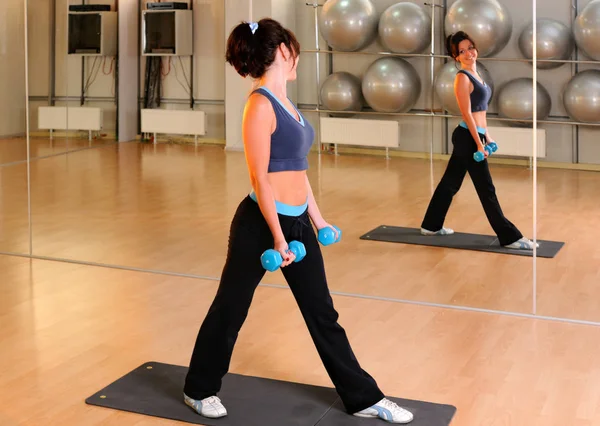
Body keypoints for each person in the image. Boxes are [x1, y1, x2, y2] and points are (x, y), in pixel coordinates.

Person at [182, 18, 414, 424]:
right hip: (260, 224)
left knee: (322, 313)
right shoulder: (258, 106)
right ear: (279, 53)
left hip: (296, 222)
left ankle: (364, 398)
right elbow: (261, 178)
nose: (297, 57)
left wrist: (317, 219)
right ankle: (198, 389)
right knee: (231, 309)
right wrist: (277, 238)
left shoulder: (288, 103)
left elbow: (297, 170)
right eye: (292, 48)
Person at [420, 31, 539, 251]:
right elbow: (466, 114)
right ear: (456, 57)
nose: (468, 53)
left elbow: (480, 113)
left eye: (470, 47)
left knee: (450, 183)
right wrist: (478, 143)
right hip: (467, 137)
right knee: (486, 189)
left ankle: (431, 225)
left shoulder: (478, 75)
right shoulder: (462, 78)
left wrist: (487, 136)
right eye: (461, 51)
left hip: (474, 134)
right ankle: (509, 236)